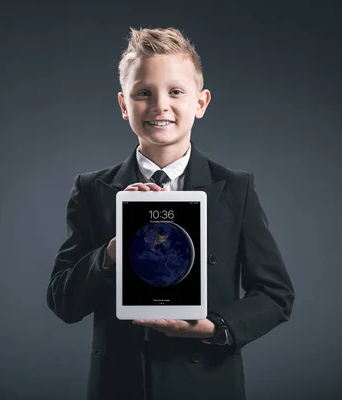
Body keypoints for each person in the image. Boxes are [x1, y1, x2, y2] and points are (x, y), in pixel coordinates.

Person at [46, 26, 295, 400]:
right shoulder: (92, 190)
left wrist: (213, 327)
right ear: (123, 105)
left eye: (176, 91)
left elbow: (275, 295)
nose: (160, 105)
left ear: (201, 102)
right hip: (120, 384)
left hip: (206, 382)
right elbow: (63, 301)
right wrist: (113, 251)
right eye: (143, 93)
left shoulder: (235, 189)